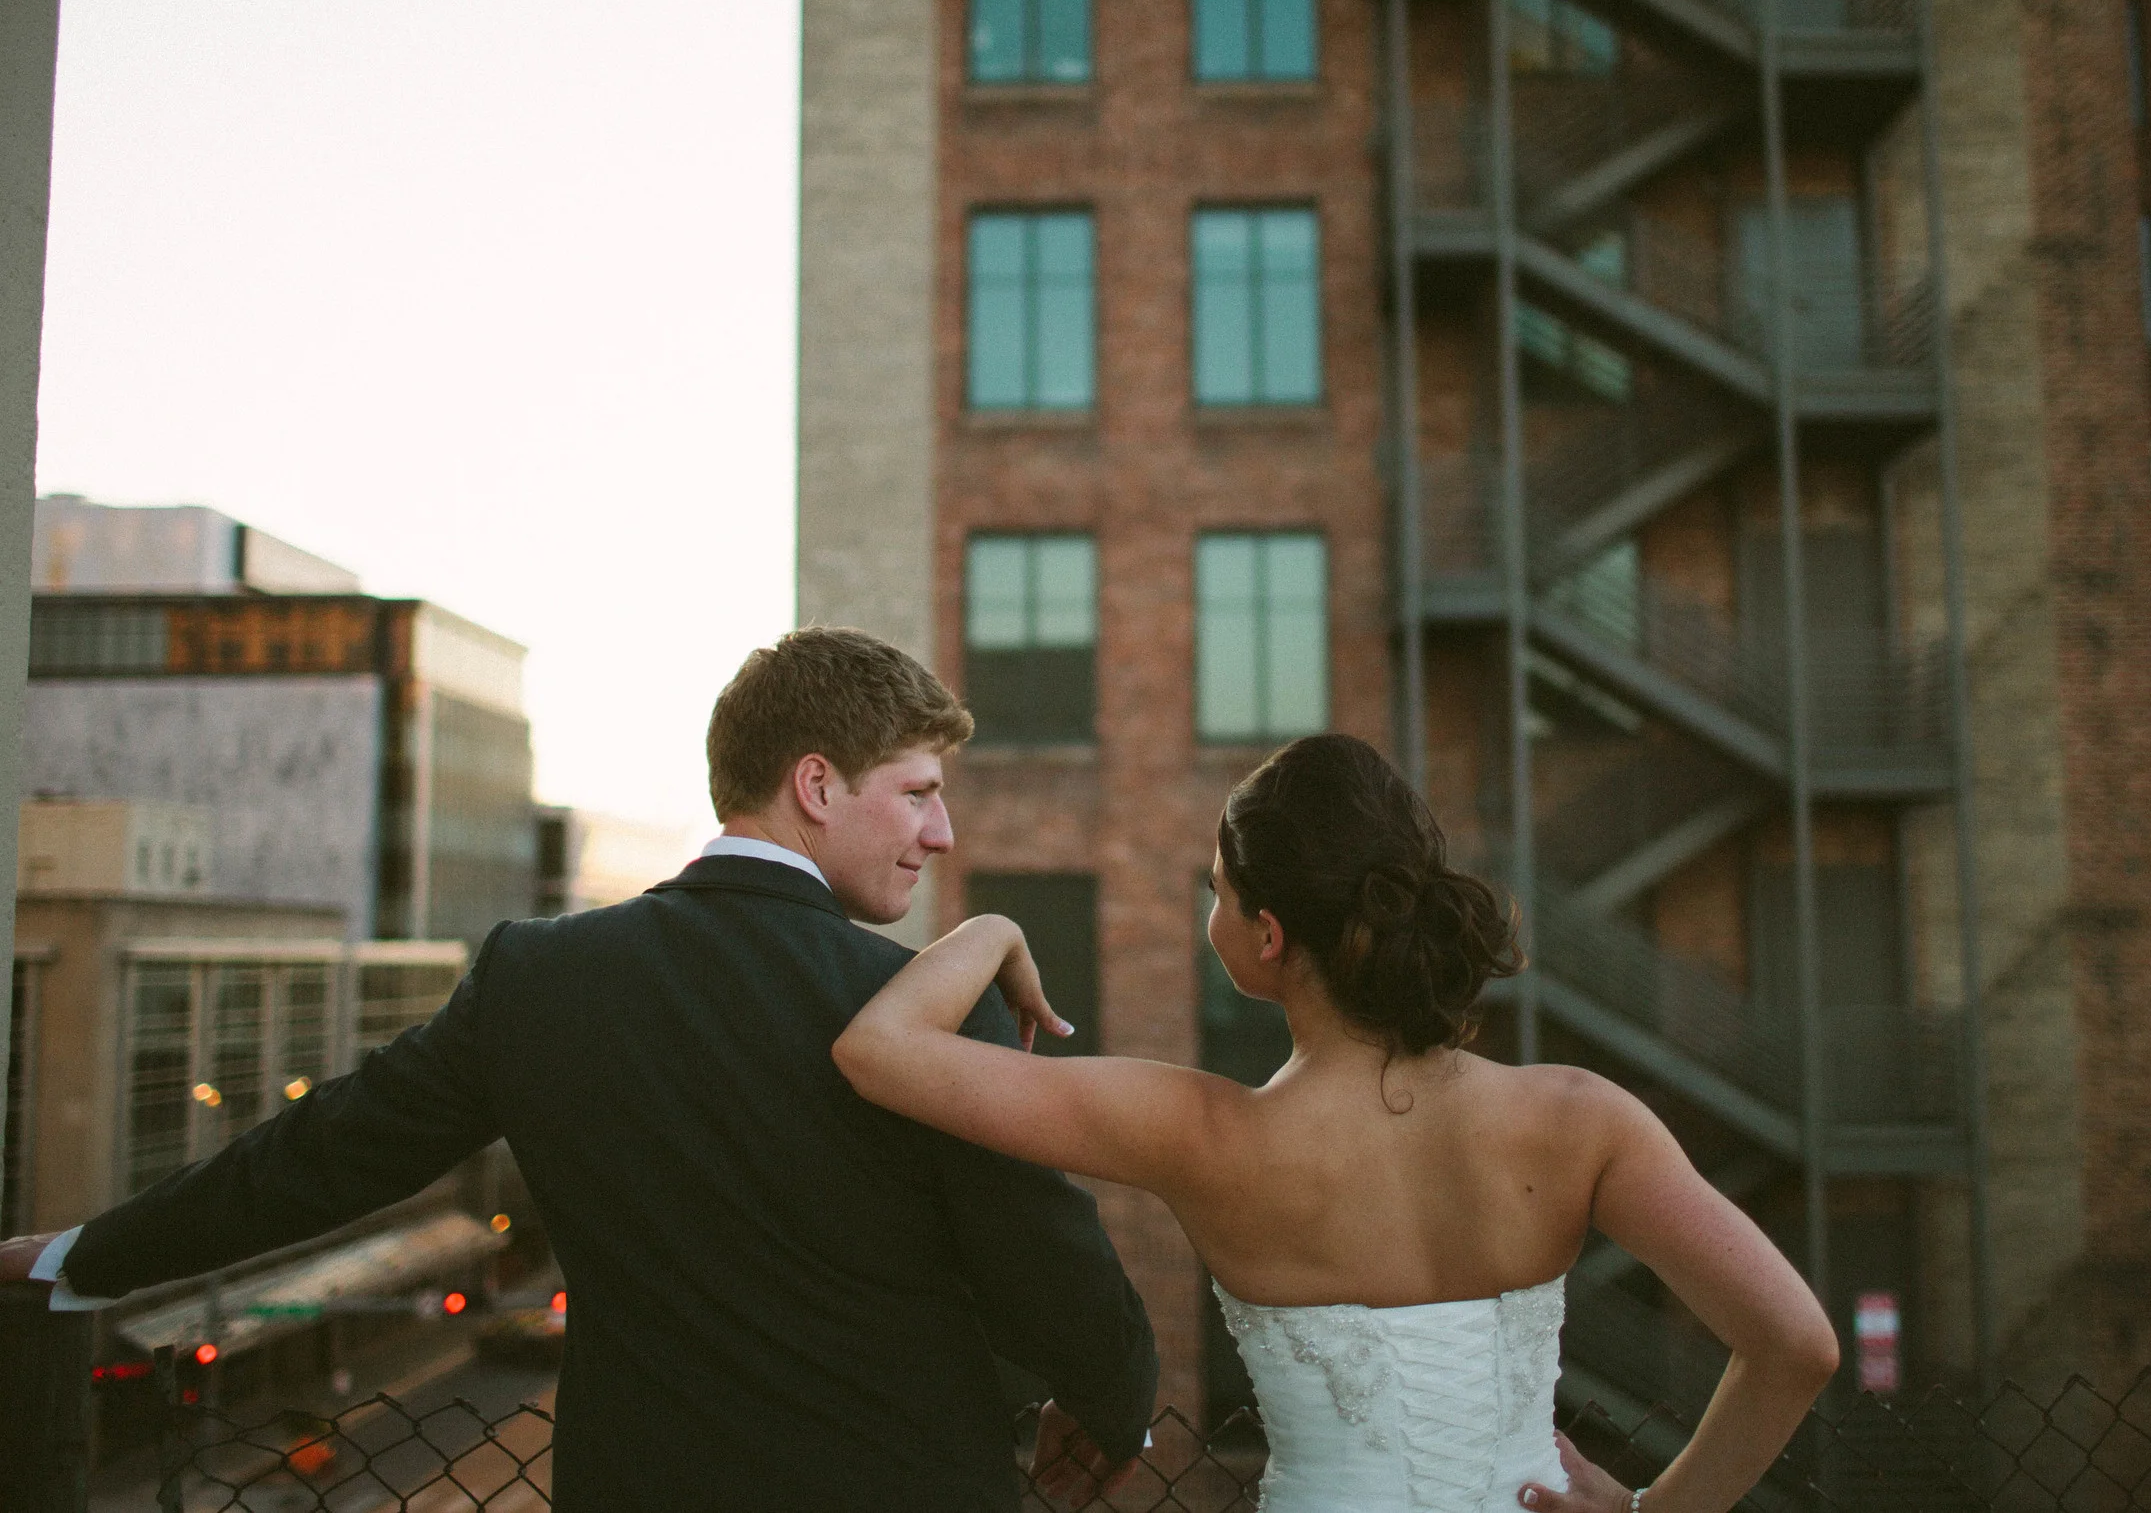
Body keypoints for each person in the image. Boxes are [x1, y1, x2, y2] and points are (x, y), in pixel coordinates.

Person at [2, 627, 1158, 1513]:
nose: (941, 830)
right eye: (917, 791)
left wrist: (81, 1255)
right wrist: (1111, 1404)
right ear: (815, 784)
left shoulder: (540, 977)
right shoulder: (918, 1011)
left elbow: (323, 1154)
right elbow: (1042, 1245)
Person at [835, 731, 1838, 1513]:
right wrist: (1650, 1508)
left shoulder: (1199, 1131)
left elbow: (877, 1049)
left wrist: (994, 926)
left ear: (1268, 936)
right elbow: (1796, 1343)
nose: (1209, 911)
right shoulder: (1582, 1117)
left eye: (1216, 892)